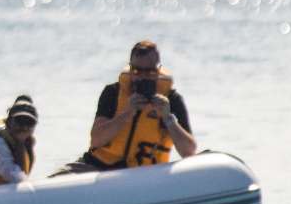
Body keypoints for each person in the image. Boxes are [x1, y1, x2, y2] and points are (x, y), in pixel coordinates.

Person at [61, 40, 196, 173]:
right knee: (58, 177)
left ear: (158, 70)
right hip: (97, 167)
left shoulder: (172, 100)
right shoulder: (113, 92)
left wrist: (168, 118)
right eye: (137, 71)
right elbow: (96, 140)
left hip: (143, 175)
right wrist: (127, 113)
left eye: (150, 71)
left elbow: (189, 152)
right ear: (130, 70)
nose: (143, 77)